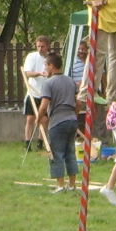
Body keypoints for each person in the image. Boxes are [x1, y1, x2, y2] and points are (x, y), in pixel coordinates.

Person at [33, 51, 81, 193]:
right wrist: (74, 115)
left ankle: (60, 185)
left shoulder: (48, 83)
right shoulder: (70, 81)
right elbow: (78, 102)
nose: (45, 68)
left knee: (56, 153)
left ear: (52, 66)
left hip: (57, 122)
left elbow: (44, 105)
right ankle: (72, 185)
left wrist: (38, 118)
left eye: (46, 65)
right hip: (72, 120)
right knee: (70, 152)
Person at [20, 35, 51, 150]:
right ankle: (27, 143)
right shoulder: (32, 56)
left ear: (47, 46)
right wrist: (39, 73)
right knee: (30, 119)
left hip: (45, 94)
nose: (40, 49)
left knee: (44, 120)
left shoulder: (51, 58)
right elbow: (27, 73)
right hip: (33, 92)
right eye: (38, 46)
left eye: (42, 46)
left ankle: (40, 142)